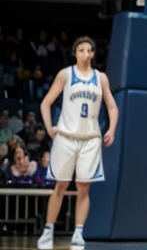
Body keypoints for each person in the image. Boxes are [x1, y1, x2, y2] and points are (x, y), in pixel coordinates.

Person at [38, 37, 119, 250]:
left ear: (93, 54)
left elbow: (112, 107)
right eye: (81, 50)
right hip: (65, 136)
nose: (85, 53)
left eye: (89, 50)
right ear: (75, 53)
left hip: (90, 138)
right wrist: (49, 127)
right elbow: (46, 102)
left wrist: (111, 129)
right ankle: (48, 230)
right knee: (61, 185)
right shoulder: (65, 74)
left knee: (84, 188)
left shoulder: (101, 78)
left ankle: (78, 233)